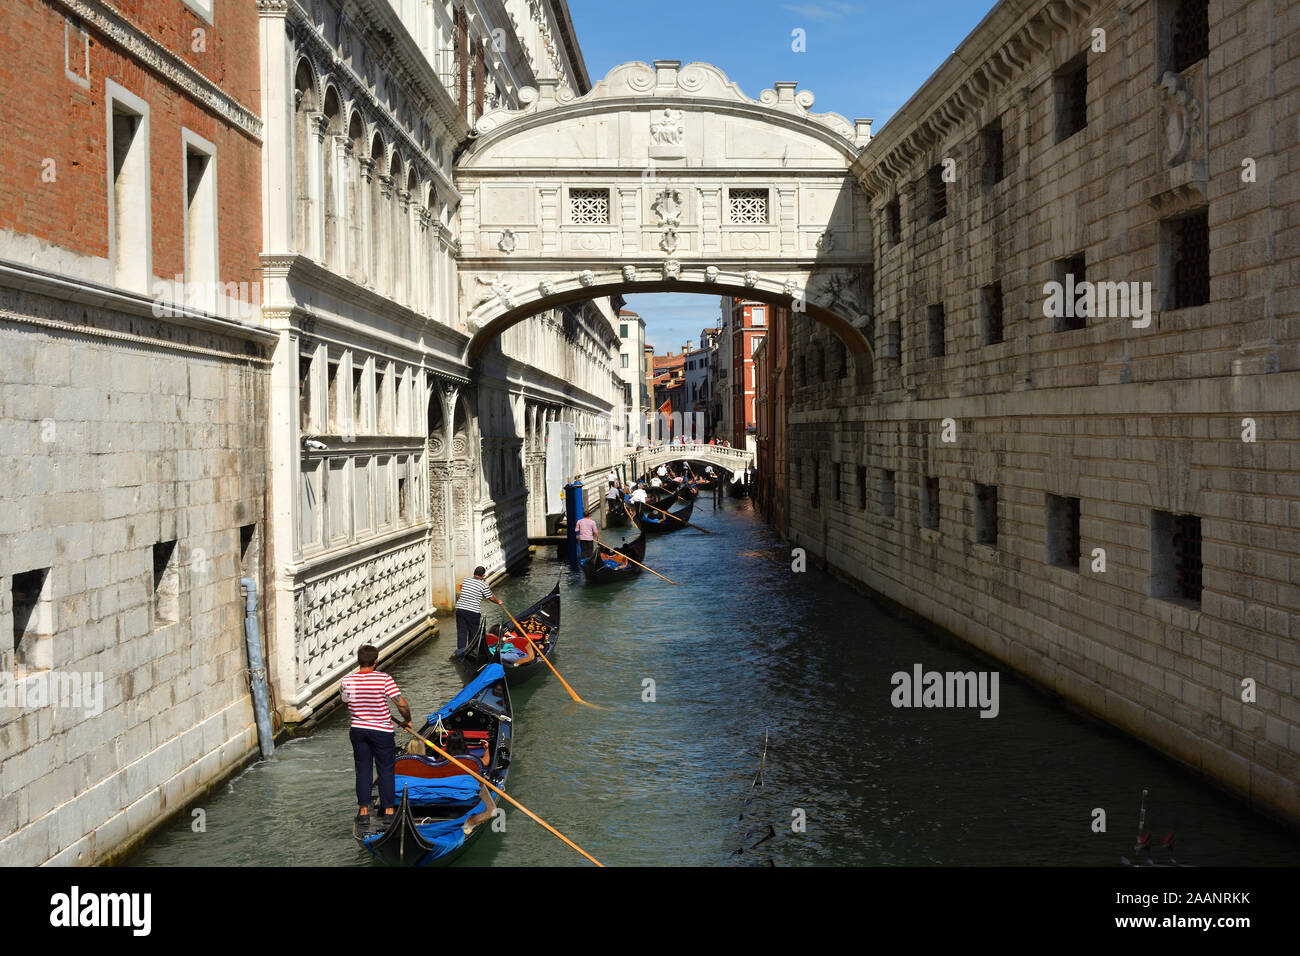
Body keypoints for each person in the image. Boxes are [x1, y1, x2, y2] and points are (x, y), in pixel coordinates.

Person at [341, 644, 412, 829]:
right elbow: (401, 704)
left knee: (363, 770)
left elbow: (345, 700)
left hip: (358, 730)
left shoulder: (347, 681)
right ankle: (389, 812)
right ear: (375, 661)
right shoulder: (384, 679)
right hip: (381, 731)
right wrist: (407, 720)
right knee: (386, 770)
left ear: (358, 661)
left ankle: (363, 813)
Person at [443, 730, 497, 835]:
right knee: (491, 809)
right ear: (463, 743)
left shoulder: (442, 759)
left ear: (448, 744)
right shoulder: (472, 760)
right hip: (467, 792)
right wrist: (486, 748)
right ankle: (471, 821)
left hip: (449, 790)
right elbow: (486, 762)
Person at [455, 566, 504, 653]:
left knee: (462, 632)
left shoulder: (466, 580)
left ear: (474, 573)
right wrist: (498, 602)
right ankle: (471, 651)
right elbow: (490, 597)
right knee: (473, 633)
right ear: (483, 575)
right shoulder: (483, 585)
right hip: (473, 612)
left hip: (460, 609)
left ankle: (460, 651)